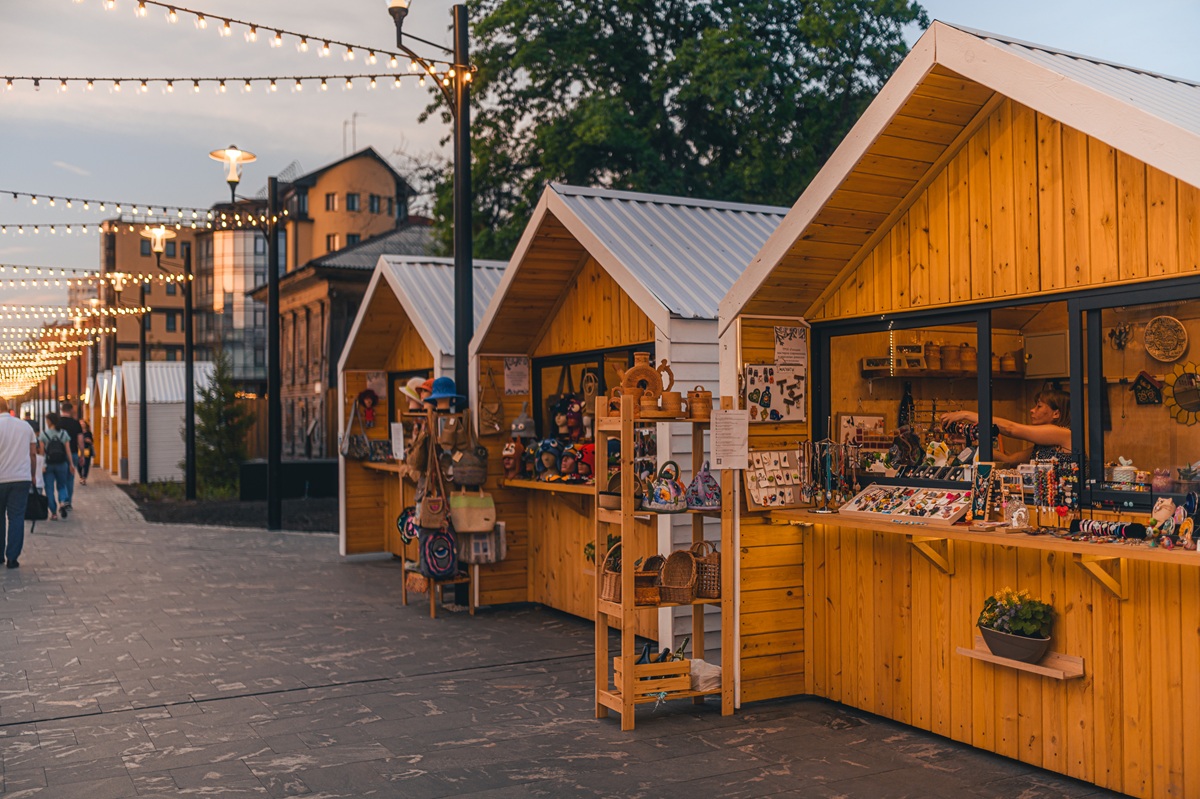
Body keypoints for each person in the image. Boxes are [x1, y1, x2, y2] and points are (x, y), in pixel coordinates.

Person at [940, 389, 1072, 466]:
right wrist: (974, 444)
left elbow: (1010, 429)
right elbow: (1009, 459)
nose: (1032, 410)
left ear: (1056, 413)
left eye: (1039, 406)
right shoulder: (1043, 446)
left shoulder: (1062, 433)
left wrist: (965, 414)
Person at [0, 396, 37, 568]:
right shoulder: (25, 426)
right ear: (7, 407)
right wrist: (33, 474)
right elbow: (33, 454)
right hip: (21, 478)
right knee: (16, 517)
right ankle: (12, 557)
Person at [39, 413, 75, 521]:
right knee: (62, 485)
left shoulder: (44, 434)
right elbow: (68, 451)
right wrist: (71, 464)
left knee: (49, 489)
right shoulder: (64, 433)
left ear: (49, 421)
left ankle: (53, 513)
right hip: (62, 463)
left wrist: (42, 465)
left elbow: (41, 453)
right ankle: (62, 502)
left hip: (49, 465)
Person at [56, 401, 83, 506]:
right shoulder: (76, 423)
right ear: (71, 410)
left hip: (59, 454)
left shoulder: (57, 423)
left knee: (60, 479)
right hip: (73, 453)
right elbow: (80, 441)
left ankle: (62, 500)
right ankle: (68, 502)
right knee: (70, 479)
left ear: (61, 410)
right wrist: (82, 455)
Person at [78, 420, 94, 486]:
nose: (82, 424)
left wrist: (88, 440)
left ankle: (84, 478)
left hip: (87, 450)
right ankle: (81, 476)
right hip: (79, 450)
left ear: (85, 424)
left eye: (83, 423)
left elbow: (92, 441)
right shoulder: (78, 432)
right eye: (80, 423)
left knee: (86, 465)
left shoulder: (88, 433)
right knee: (79, 465)